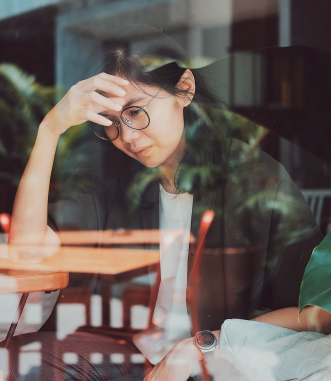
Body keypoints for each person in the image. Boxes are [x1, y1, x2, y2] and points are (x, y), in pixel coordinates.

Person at [5, 25, 331, 381]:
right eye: (112, 123)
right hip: (134, 357)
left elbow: (317, 311)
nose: (127, 136)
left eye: (135, 111)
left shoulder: (256, 179)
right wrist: (50, 129)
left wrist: (200, 346)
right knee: (16, 359)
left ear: (185, 89)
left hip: (218, 362)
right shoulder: (116, 183)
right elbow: (27, 250)